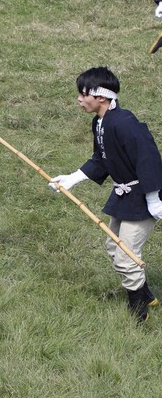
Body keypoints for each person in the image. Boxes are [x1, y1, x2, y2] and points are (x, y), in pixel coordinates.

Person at [49, 67, 162, 324]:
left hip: (143, 197)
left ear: (101, 97)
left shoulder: (126, 124)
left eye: (83, 93)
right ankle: (144, 293)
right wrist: (71, 179)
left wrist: (154, 198)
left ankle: (139, 313)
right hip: (123, 194)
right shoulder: (99, 122)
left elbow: (149, 159)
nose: (79, 99)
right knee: (114, 246)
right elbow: (101, 160)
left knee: (126, 256)